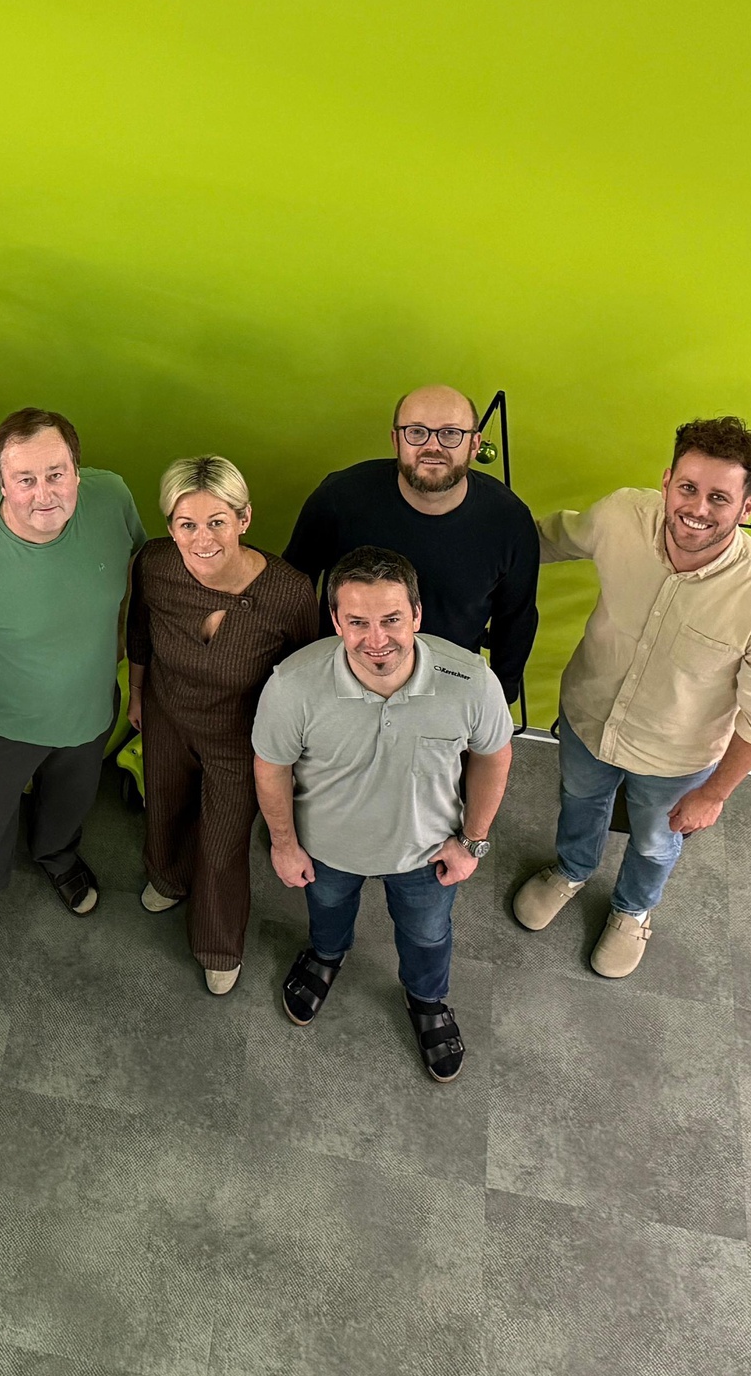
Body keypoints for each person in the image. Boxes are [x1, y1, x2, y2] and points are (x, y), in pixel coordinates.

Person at [513, 416, 751, 977]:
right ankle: (572, 870)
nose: (698, 508)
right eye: (688, 487)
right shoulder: (621, 516)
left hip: (677, 755)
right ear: (666, 481)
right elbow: (549, 538)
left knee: (655, 842)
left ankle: (633, 910)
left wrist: (715, 794)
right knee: (579, 801)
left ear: (747, 506)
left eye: (719, 497)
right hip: (588, 714)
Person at [252, 546, 514, 1083]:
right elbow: (271, 766)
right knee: (327, 914)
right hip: (327, 850)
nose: (376, 640)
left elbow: (494, 755)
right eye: (357, 622)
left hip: (427, 853)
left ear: (417, 614)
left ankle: (427, 999)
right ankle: (326, 956)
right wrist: (284, 844)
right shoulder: (293, 684)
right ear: (335, 621)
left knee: (427, 936)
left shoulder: (471, 681)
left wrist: (473, 841)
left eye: (392, 619)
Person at [0, 407, 146, 957]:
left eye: (56, 474)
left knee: (72, 796)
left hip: (89, 704)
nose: (44, 494)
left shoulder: (112, 498)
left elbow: (135, 567)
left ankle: (57, 854)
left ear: (77, 471)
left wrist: (123, 645)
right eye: (25, 480)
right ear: (1, 483)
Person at [127, 456, 319, 994]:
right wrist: (137, 695)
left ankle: (217, 942)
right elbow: (139, 629)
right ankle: (167, 876)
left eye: (217, 522)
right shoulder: (155, 564)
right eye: (186, 524)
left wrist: (294, 756)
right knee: (164, 804)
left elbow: (306, 680)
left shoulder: (289, 593)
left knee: (222, 842)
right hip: (167, 713)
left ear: (244, 519)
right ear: (170, 527)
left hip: (242, 736)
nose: (202, 539)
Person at [283, 384, 539, 707]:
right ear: (396, 440)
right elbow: (291, 588)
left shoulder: (510, 521)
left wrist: (498, 701)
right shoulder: (339, 499)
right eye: (416, 432)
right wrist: (299, 676)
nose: (432, 446)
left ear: (475, 444)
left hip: (447, 690)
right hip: (343, 681)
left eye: (450, 434)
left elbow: (516, 620)